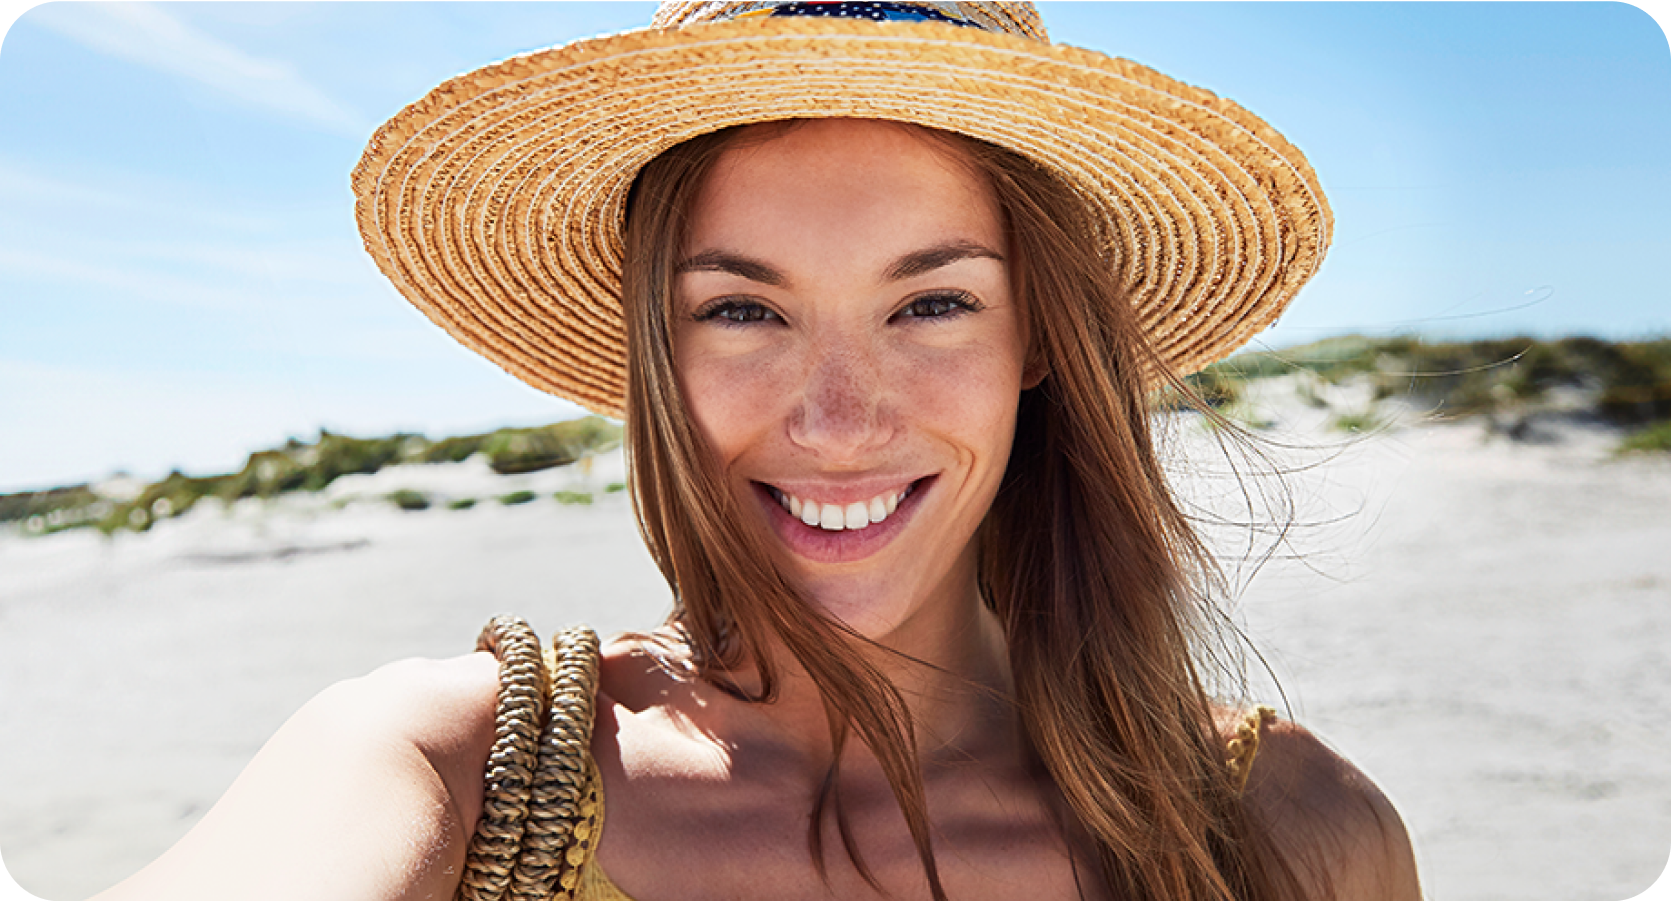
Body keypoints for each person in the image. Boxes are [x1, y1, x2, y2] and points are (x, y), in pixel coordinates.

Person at [95, 3, 1420, 900]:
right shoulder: (445, 770)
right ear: (655, 353)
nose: (838, 420)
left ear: (1038, 341)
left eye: (930, 304)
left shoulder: (1287, 837)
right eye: (740, 310)